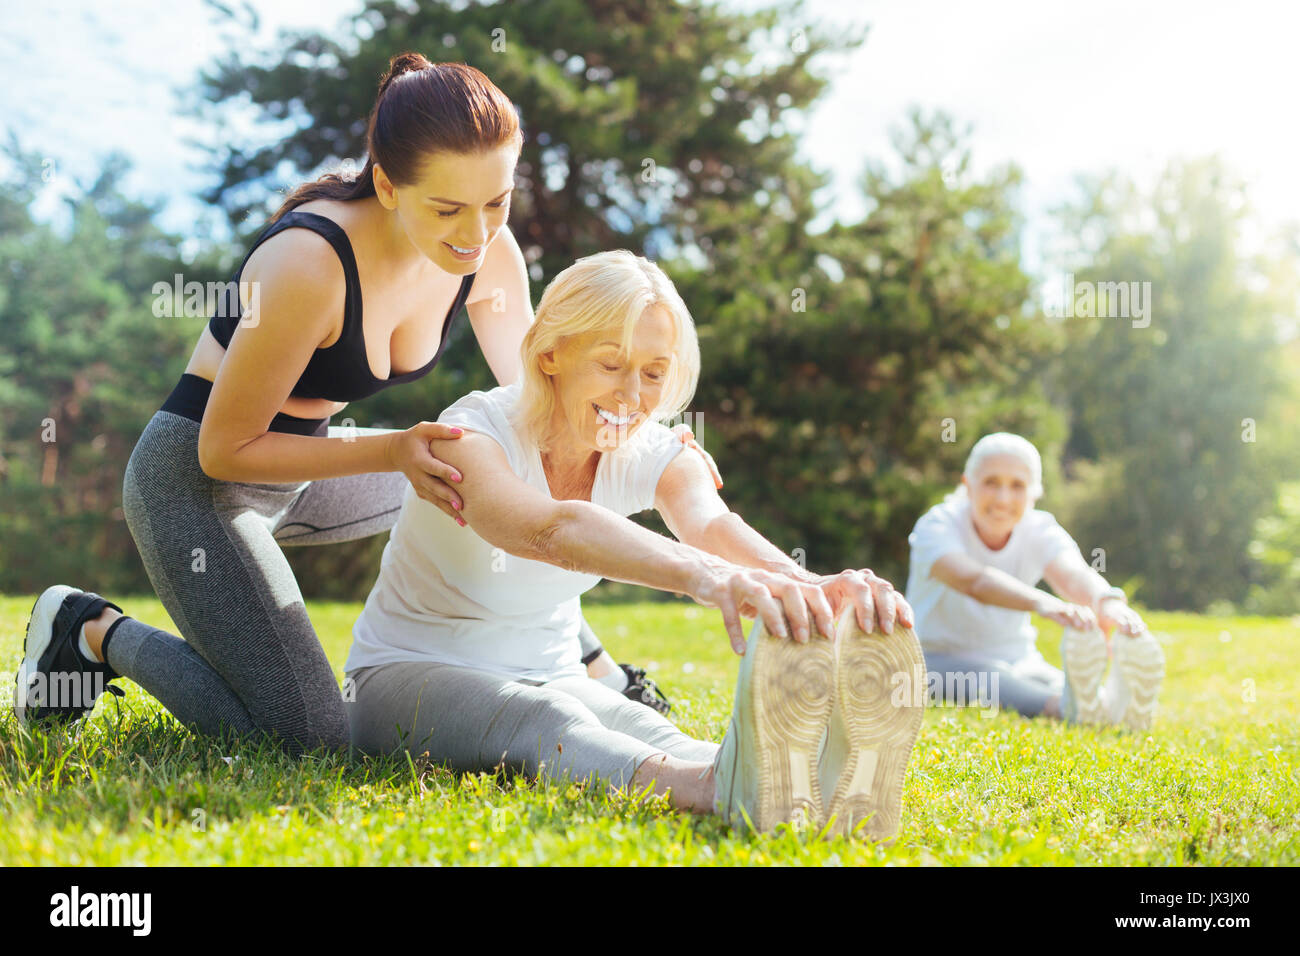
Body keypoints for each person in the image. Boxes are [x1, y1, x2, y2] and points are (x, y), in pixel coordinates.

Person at [12, 53, 712, 752]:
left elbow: (540, 403)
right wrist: (392, 450)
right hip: (198, 486)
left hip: (311, 469)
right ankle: (93, 631)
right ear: (387, 184)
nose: (474, 232)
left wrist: (655, 440)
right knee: (310, 737)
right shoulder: (307, 266)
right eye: (447, 208)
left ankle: (596, 669)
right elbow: (223, 449)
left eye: (495, 203)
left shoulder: (487, 257)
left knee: (477, 471)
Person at [345, 249, 926, 839]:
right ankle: (710, 792)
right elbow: (549, 530)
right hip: (404, 675)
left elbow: (709, 524)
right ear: (550, 352)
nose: (632, 396)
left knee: (646, 727)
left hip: (551, 670)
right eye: (610, 364)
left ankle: (792, 781)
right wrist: (706, 578)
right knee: (549, 720)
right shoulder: (469, 436)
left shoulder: (651, 446)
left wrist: (811, 586)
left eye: (653, 373)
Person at [903, 432, 1165, 727]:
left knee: (1055, 681)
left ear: (1034, 493)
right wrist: (1046, 605)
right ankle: (1065, 710)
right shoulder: (936, 526)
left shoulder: (1040, 528)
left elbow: (1074, 574)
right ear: (968, 486)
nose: (1003, 498)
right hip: (934, 661)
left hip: (1019, 657)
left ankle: (1113, 706)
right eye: (991, 483)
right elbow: (972, 581)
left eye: (1017, 486)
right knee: (994, 679)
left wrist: (1108, 602)